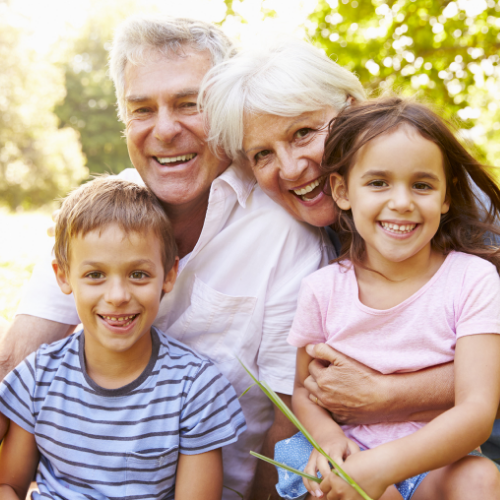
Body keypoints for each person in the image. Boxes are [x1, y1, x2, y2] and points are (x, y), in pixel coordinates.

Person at [0, 16, 334, 500]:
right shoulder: (100, 217)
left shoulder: (283, 233)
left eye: (188, 104)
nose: (164, 129)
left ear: (224, 113)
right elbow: (15, 358)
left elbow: (285, 424)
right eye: (141, 109)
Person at [199, 39, 500, 460]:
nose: (289, 168)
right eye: (263, 154)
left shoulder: (437, 207)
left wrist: (388, 393)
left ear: (352, 109)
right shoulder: (308, 234)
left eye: (303, 133)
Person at [273, 96, 500, 500]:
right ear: (342, 191)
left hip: (435, 459)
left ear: (446, 197)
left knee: (481, 479)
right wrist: (327, 438)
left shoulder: (472, 279)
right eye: (378, 182)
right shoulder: (323, 289)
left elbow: (478, 409)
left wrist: (383, 467)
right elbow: (304, 389)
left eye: (422, 185)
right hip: (350, 454)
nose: (401, 201)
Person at [0, 176, 246, 500]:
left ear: (169, 274)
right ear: (63, 275)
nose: (117, 296)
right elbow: (9, 486)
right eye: (95, 275)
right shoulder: (38, 378)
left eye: (138, 274)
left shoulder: (195, 388)